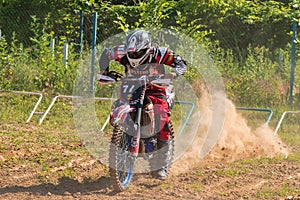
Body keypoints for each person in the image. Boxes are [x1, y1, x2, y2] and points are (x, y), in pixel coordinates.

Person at [97, 29, 187, 180]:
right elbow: (106, 54)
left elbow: (180, 62)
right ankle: (124, 141)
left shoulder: (159, 53)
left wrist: (174, 73)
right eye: (131, 53)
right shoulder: (121, 51)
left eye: (137, 53)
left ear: (146, 49)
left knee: (161, 117)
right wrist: (104, 72)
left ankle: (161, 164)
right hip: (131, 88)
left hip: (155, 88)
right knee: (118, 108)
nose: (133, 56)